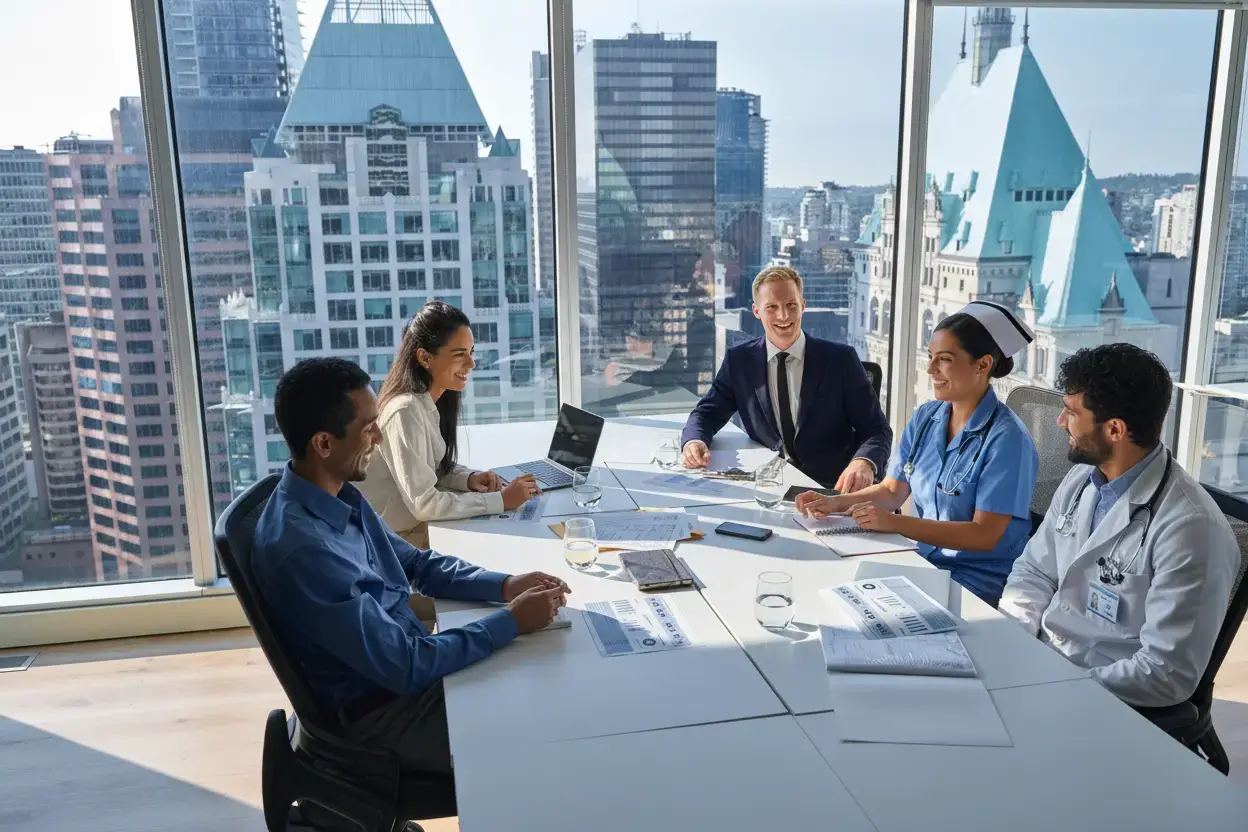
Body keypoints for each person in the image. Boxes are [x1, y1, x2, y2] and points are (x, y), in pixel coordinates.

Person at [251, 358, 569, 828]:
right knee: (546, 730)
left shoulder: (337, 492)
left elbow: (417, 564)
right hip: (382, 711)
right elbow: (407, 665)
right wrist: (510, 621)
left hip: (400, 671)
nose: (378, 438)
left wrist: (505, 585)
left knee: (544, 678)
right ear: (323, 443)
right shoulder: (305, 551)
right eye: (368, 428)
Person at [999, 344, 1238, 709]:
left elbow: (1165, 673)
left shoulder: (1191, 529)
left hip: (1108, 698)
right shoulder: (1081, 480)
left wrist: (1056, 685)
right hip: (1042, 666)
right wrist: (1012, 640)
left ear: (1114, 429)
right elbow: (1034, 570)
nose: (1060, 421)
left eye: (1071, 412)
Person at [797, 301, 1039, 606]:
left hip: (976, 579)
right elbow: (891, 491)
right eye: (930, 356)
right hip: (923, 563)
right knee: (831, 592)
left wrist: (894, 523)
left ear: (983, 365)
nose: (930, 369)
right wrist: (833, 503)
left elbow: (984, 535)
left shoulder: (1008, 440)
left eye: (945, 359)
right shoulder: (927, 417)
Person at [680, 265, 892, 491]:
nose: (783, 315)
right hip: (770, 485)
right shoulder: (739, 362)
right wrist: (694, 441)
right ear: (757, 311)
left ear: (803, 305)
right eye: (772, 307)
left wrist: (864, 462)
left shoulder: (840, 360)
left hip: (834, 488)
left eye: (791, 305)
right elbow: (706, 413)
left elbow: (877, 429)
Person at [358, 301, 540, 550]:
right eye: (459, 354)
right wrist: (500, 501)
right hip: (396, 543)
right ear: (424, 357)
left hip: (414, 531)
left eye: (471, 352)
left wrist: (469, 479)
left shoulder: (426, 404)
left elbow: (429, 468)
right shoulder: (404, 411)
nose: (471, 363)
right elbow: (425, 503)